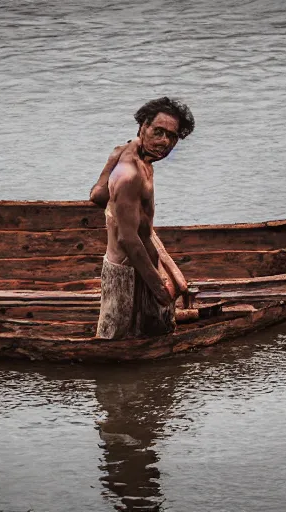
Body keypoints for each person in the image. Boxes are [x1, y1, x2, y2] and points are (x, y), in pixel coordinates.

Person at [89, 97, 195, 339]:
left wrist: (117, 208)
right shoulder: (130, 174)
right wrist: (160, 288)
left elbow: (97, 195)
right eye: (158, 132)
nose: (164, 142)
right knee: (115, 337)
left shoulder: (129, 151)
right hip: (125, 270)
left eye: (172, 136)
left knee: (150, 331)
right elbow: (128, 240)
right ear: (142, 127)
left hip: (144, 261)